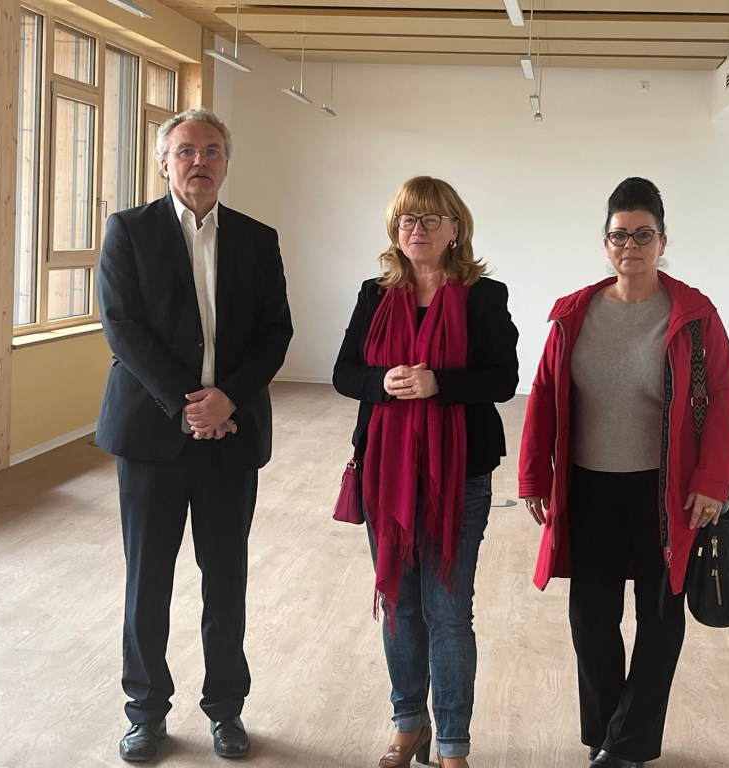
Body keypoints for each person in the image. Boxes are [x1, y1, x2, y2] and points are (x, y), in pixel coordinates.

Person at [518, 177, 729, 768]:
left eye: (644, 234)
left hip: (664, 491)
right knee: (590, 617)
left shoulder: (694, 315)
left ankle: (628, 745)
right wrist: (534, 475)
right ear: (605, 243)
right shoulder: (575, 313)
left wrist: (712, 480)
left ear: (663, 242)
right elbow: (544, 394)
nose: (631, 245)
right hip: (589, 487)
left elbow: (724, 394)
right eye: (620, 235)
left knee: (660, 617)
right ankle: (606, 735)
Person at [96, 108, 293, 763]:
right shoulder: (129, 231)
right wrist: (188, 406)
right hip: (151, 438)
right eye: (185, 151)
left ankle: (226, 710)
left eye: (211, 150)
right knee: (147, 583)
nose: (199, 161)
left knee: (226, 580)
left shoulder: (257, 239)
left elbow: (276, 332)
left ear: (227, 163)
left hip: (232, 435)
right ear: (164, 162)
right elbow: (123, 328)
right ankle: (146, 713)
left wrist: (227, 398)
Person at [333, 176, 519, 768]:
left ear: (455, 229)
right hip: (386, 472)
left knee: (448, 611)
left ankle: (452, 745)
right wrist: (380, 382)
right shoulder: (374, 294)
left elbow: (503, 379)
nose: (418, 229)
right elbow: (344, 372)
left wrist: (440, 383)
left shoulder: (484, 297)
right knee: (399, 603)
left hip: (458, 475)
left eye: (431, 219)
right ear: (396, 230)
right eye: (408, 220)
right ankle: (408, 724)